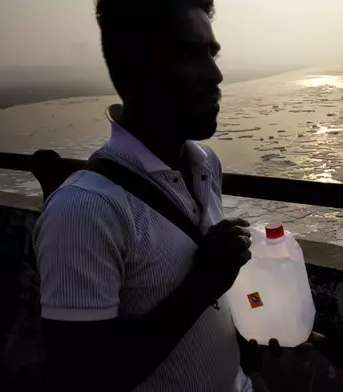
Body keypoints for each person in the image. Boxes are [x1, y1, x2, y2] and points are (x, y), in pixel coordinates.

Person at [34, 0, 255, 391]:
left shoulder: (205, 163)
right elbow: (81, 380)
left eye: (212, 53)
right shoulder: (85, 210)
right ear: (132, 70)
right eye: (188, 54)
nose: (216, 74)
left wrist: (255, 339)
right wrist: (203, 283)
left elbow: (202, 320)